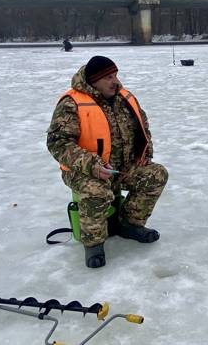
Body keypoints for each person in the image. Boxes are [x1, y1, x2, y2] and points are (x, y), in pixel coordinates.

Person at [46, 55, 168, 269]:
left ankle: (130, 224)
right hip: (83, 171)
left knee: (156, 174)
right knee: (97, 190)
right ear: (94, 81)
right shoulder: (72, 103)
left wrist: (145, 152)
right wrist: (92, 165)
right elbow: (58, 143)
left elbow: (143, 126)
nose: (115, 81)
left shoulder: (124, 98)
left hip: (121, 167)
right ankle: (93, 244)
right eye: (108, 77)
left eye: (115, 75)